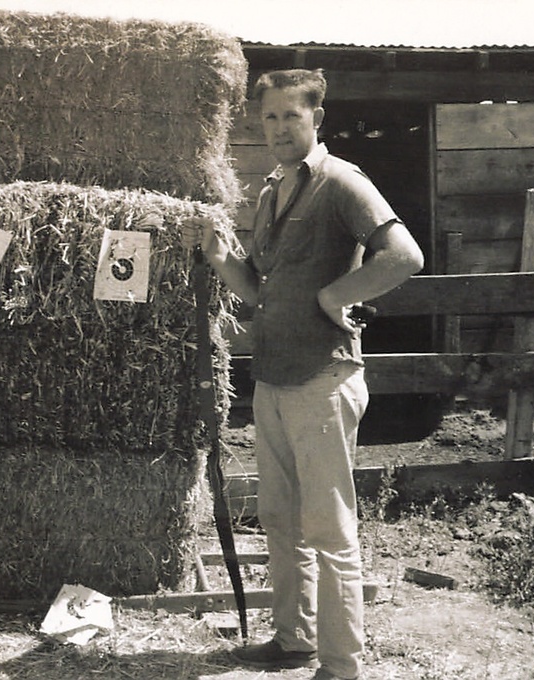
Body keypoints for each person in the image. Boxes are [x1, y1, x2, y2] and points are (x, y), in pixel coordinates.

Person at [183, 69, 424, 680]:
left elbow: (404, 255)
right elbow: (258, 287)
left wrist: (334, 297)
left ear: (317, 119)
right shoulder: (271, 191)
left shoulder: (341, 181)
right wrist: (220, 257)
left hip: (323, 378)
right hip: (275, 378)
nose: (280, 128)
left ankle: (342, 666)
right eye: (269, 117)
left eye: (292, 115)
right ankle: (294, 641)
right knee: (280, 520)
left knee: (329, 529)